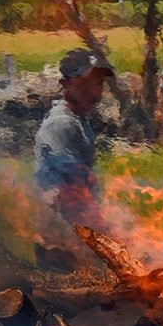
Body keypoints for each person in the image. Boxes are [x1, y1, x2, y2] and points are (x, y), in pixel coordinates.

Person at [34, 48, 114, 227]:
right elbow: (72, 188)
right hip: (62, 232)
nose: (95, 91)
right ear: (66, 83)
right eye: (86, 83)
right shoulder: (62, 124)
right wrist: (104, 230)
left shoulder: (78, 120)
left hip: (76, 225)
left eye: (99, 83)